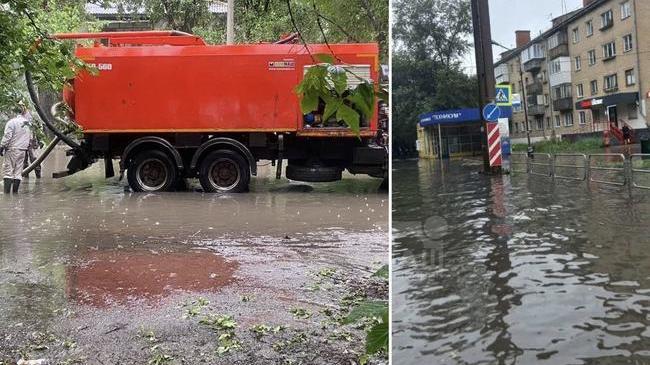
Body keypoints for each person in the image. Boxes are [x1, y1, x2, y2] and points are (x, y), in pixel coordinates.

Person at [0, 102, 34, 194]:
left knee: (8, 171)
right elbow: (30, 138)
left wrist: (2, 146)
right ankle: (15, 193)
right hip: (23, 150)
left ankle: (7, 195)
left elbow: (7, 136)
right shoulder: (28, 124)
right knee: (18, 172)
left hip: (12, 149)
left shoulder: (11, 122)